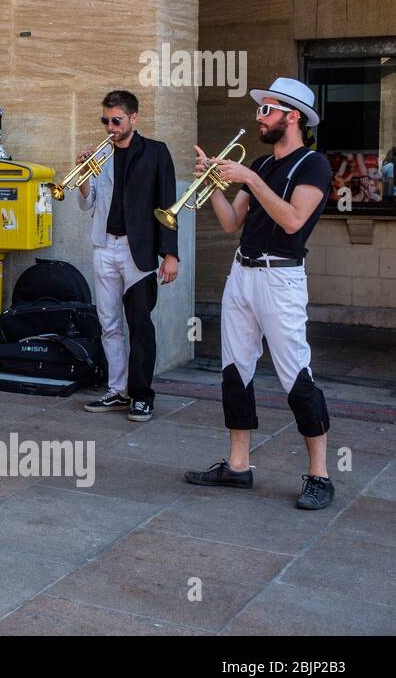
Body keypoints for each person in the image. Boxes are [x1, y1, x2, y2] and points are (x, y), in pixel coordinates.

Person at [184, 78, 336, 510]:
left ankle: (320, 475)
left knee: (296, 375)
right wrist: (213, 185)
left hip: (281, 278)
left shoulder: (314, 166)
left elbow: (292, 220)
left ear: (293, 117)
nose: (259, 117)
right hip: (243, 273)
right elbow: (232, 222)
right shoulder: (262, 164)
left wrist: (249, 176)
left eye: (266, 110)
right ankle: (237, 465)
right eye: (259, 110)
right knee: (235, 370)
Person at [76, 89, 180, 422]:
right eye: (105, 120)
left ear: (133, 118)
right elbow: (87, 202)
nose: (110, 126)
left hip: (139, 252)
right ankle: (117, 390)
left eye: (116, 120)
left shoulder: (156, 152)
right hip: (104, 246)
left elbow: (168, 206)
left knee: (139, 325)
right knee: (108, 324)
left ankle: (141, 394)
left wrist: (170, 254)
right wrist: (82, 175)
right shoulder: (101, 155)